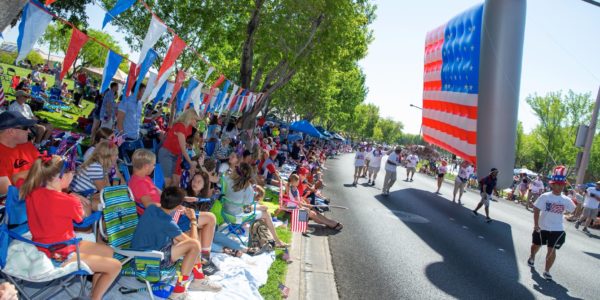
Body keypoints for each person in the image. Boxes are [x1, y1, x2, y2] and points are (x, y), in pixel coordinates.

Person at [21, 154, 121, 300]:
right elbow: (83, 218)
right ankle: (96, 298)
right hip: (60, 253)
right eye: (71, 172)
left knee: (108, 252)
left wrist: (71, 195)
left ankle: (93, 292)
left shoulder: (32, 192)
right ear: (60, 177)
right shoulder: (67, 201)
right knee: (116, 266)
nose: (74, 174)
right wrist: (79, 200)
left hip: (45, 245)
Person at [131, 187, 222, 298]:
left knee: (188, 235)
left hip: (141, 254)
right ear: (178, 206)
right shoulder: (168, 222)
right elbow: (194, 243)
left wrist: (179, 206)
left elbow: (163, 209)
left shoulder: (152, 208)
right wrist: (193, 219)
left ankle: (198, 277)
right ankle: (179, 292)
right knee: (194, 245)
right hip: (148, 261)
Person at [527, 166, 575, 281]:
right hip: (542, 227)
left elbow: (574, 210)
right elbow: (537, 209)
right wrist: (536, 224)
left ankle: (547, 271)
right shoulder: (545, 196)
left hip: (557, 229)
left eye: (561, 185)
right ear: (552, 185)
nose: (558, 187)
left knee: (551, 249)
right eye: (556, 184)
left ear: (563, 186)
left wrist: (579, 201)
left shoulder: (566, 200)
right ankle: (532, 257)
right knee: (536, 245)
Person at [71, 141, 122, 213]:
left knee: (113, 200)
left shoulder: (99, 165)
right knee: (111, 206)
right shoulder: (96, 167)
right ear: (107, 156)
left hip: (84, 195)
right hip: (77, 198)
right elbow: (104, 191)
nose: (117, 157)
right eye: (116, 155)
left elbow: (107, 189)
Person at [0, 111, 39, 195]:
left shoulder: (27, 146)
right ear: (11, 131)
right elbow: (7, 192)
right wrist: (41, 172)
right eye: (25, 127)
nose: (29, 131)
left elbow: (44, 165)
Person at [158, 109, 199, 187]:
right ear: (190, 118)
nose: (196, 122)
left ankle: (169, 197)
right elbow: (183, 149)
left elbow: (181, 142)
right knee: (168, 182)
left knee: (175, 182)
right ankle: (163, 197)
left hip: (176, 155)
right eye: (195, 120)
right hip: (167, 153)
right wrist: (191, 163)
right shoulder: (180, 126)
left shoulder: (189, 128)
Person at [116, 84, 145, 157]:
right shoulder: (126, 101)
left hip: (135, 139)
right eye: (143, 91)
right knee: (122, 161)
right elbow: (119, 121)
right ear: (137, 91)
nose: (144, 94)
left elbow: (137, 120)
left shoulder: (140, 104)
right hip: (125, 139)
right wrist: (123, 138)